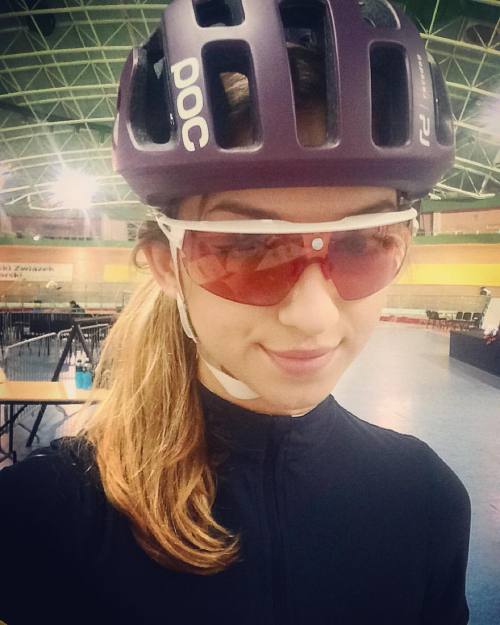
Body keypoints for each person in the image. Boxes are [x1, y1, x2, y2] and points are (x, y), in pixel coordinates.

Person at [0, 1, 470, 624]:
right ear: (166, 264)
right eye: (247, 248)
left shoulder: (428, 500)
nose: (312, 317)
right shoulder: (41, 517)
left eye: (362, 243)